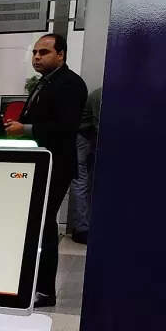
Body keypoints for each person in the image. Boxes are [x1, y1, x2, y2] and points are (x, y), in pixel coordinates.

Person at [4, 33, 87, 307]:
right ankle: (30, 282)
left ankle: (45, 290)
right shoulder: (44, 82)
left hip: (56, 164)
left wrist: (25, 129)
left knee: (44, 224)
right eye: (35, 53)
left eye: (44, 52)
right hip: (37, 162)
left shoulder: (71, 84)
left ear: (60, 54)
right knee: (35, 224)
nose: (37, 57)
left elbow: (65, 128)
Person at [69, 85, 101, 244]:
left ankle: (83, 226)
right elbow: (99, 127)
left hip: (87, 138)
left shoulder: (102, 92)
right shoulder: (100, 94)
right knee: (80, 181)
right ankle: (81, 228)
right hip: (82, 138)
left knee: (83, 182)